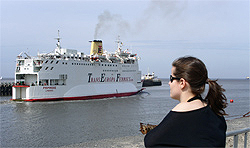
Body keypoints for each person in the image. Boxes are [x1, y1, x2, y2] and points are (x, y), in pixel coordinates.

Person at [144, 56, 227, 147]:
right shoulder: (213, 110)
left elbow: (150, 141)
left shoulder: (182, 110)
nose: (169, 83)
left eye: (171, 78)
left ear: (182, 83)